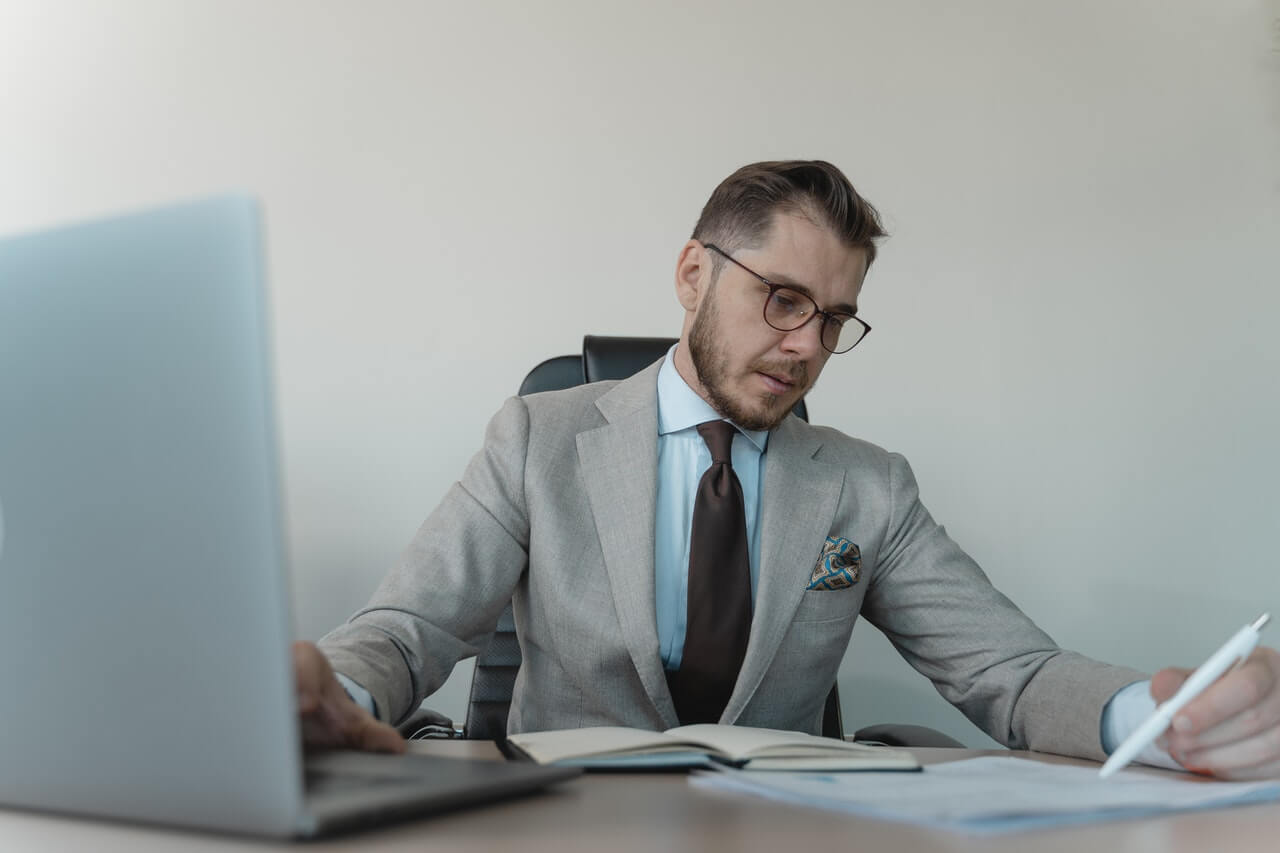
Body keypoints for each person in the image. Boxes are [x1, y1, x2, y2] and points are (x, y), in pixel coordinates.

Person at [294, 160, 1280, 779]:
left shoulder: (867, 486)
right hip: (568, 820)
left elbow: (1009, 675)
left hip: (781, 830)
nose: (806, 344)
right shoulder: (536, 438)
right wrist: (329, 693)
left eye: (834, 317)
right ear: (693, 276)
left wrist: (1164, 713)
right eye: (779, 300)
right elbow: (409, 629)